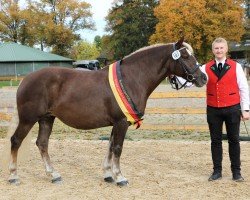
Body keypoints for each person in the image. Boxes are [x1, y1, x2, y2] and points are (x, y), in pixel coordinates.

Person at [200, 37, 250, 182]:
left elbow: (243, 88)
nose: (219, 50)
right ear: (213, 50)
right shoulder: (205, 67)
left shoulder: (236, 66)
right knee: (215, 141)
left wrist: (246, 109)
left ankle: (236, 172)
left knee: (234, 140)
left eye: (221, 48)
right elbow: (192, 81)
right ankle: (217, 171)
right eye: (216, 48)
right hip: (213, 109)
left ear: (226, 49)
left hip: (233, 109)